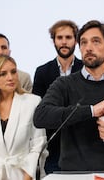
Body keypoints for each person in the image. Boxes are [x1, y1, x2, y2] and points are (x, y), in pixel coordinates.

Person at [33, 20, 104, 171]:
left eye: (96, 42)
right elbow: (40, 117)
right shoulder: (64, 84)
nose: (88, 47)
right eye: (83, 42)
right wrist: (91, 111)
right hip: (72, 175)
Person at [32, 20, 83, 174]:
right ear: (54, 41)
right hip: (53, 146)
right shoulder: (42, 72)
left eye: (68, 37)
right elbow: (39, 111)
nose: (64, 42)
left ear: (76, 40)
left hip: (81, 145)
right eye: (59, 37)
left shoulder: (85, 69)